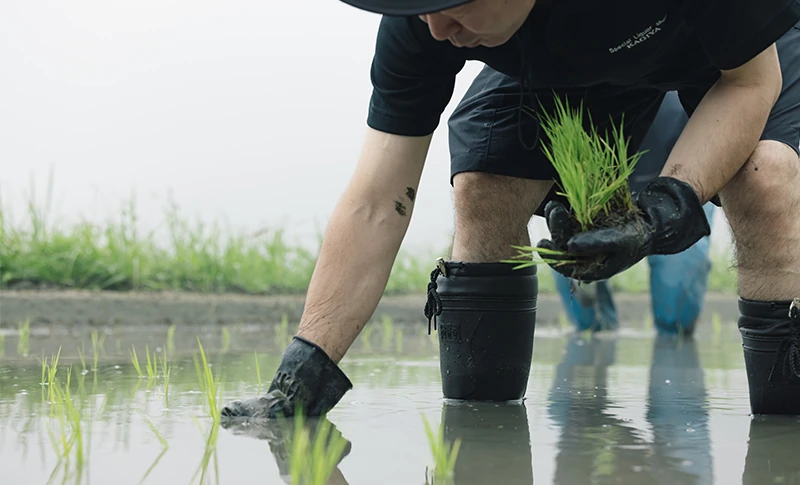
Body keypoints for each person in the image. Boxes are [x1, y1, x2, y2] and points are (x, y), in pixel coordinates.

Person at [220, 0, 800, 419]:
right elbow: (376, 199)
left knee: (766, 181)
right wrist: (306, 365)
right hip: (575, 61)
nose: (436, 26)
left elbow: (751, 81)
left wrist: (665, 204)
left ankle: (784, 428)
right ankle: (480, 427)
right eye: (425, 7)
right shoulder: (423, 19)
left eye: (456, 5)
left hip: (746, 51)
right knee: (484, 183)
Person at [547, 91, 716, 335]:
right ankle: (594, 333)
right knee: (572, 262)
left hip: (677, 180)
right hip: (598, 191)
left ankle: (673, 337)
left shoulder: (681, 90)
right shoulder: (571, 93)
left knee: (677, 287)